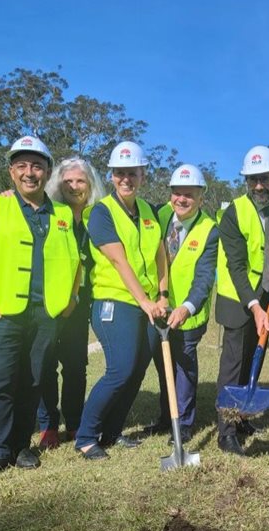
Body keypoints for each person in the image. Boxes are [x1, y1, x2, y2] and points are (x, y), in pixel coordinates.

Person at [0, 136, 81, 482]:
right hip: (2, 311)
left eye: (36, 165)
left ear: (47, 171)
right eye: (21, 166)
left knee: (32, 380)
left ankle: (22, 446)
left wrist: (72, 297)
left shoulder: (62, 212)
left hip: (45, 313)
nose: (29, 173)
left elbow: (76, 259)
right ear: (11, 171)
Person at [74, 141, 168, 460]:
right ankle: (86, 436)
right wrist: (145, 302)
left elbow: (161, 257)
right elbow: (119, 262)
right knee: (120, 369)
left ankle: (112, 433)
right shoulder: (101, 212)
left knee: (138, 369)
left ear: (143, 175)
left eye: (132, 172)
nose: (125, 178)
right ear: (111, 176)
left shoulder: (150, 213)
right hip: (115, 302)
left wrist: (163, 294)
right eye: (119, 173)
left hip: (148, 304)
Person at [214, 146, 269, 456]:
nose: (259, 186)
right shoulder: (234, 211)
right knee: (233, 365)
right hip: (238, 298)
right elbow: (235, 266)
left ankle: (242, 418)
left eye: (265, 179)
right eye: (252, 180)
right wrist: (254, 306)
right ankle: (226, 431)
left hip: (265, 295)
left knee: (253, 362)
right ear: (245, 180)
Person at [36, 157, 107, 448]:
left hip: (82, 303)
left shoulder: (97, 216)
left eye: (80, 181)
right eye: (68, 182)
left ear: (90, 185)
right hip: (52, 302)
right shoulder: (49, 212)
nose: (74, 187)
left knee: (76, 365)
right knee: (46, 364)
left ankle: (75, 422)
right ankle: (48, 425)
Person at [149, 164, 219, 444]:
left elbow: (204, 278)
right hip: (159, 309)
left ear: (201, 197)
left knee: (184, 366)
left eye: (189, 194)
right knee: (162, 363)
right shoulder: (160, 215)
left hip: (189, 313)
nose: (181, 199)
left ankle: (185, 423)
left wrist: (187, 307)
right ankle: (168, 416)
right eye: (177, 193)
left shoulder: (209, 230)